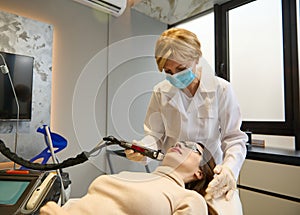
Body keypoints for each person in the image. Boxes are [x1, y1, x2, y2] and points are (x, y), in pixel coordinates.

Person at [125, 28, 248, 205]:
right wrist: (143, 148)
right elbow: (155, 135)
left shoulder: (221, 89)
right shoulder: (161, 92)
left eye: (181, 68)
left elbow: (234, 138)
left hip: (209, 175)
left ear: (197, 58)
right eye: (168, 71)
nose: (175, 76)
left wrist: (230, 169)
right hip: (173, 174)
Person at [40, 142, 224, 215]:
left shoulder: (189, 198)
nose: (179, 144)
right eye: (180, 142)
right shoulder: (130, 176)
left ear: (199, 173)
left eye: (191, 148)